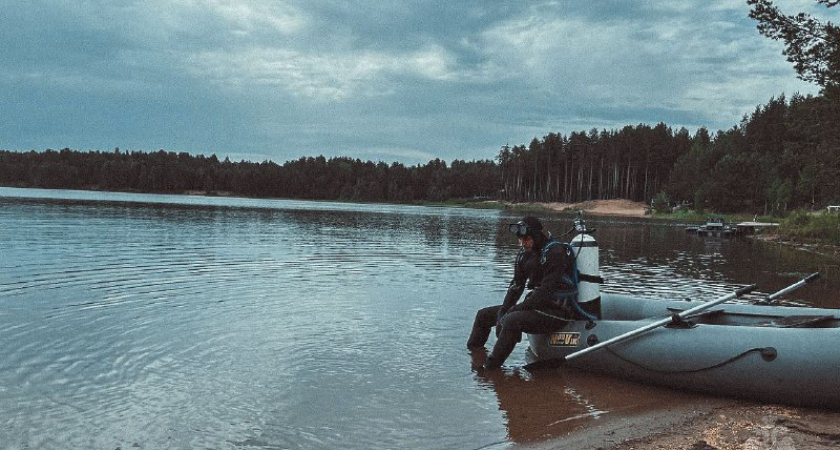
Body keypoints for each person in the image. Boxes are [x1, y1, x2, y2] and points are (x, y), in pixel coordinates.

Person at [467, 216, 578, 370]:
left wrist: (512, 312)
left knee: (512, 319)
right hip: (536, 307)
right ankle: (473, 359)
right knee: (483, 315)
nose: (522, 243)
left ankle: (491, 369)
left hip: (557, 311)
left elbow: (545, 292)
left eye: (526, 239)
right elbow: (516, 286)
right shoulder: (524, 255)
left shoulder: (555, 252)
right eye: (520, 240)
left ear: (537, 236)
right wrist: (503, 311)